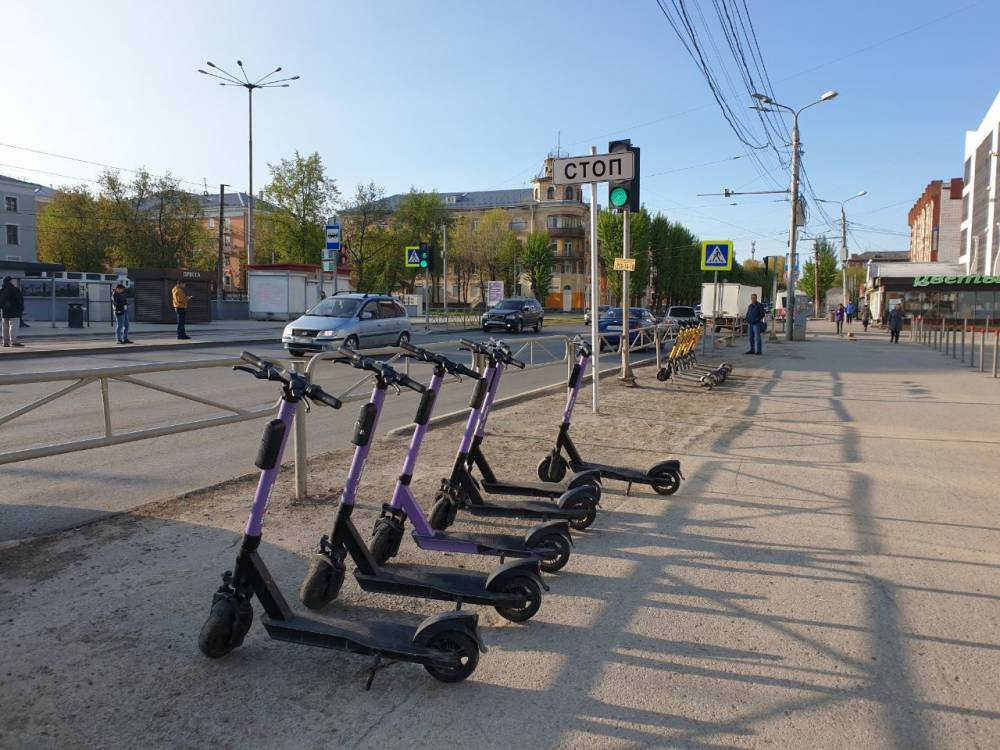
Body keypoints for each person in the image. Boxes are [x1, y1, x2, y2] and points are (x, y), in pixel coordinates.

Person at [0, 276, 25, 348]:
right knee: (13, 326)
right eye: (13, 280)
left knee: (5, 327)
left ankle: (5, 342)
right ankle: (14, 342)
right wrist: (21, 309)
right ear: (10, 281)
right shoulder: (15, 290)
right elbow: (19, 301)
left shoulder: (1, 290)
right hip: (14, 312)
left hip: (4, 312)